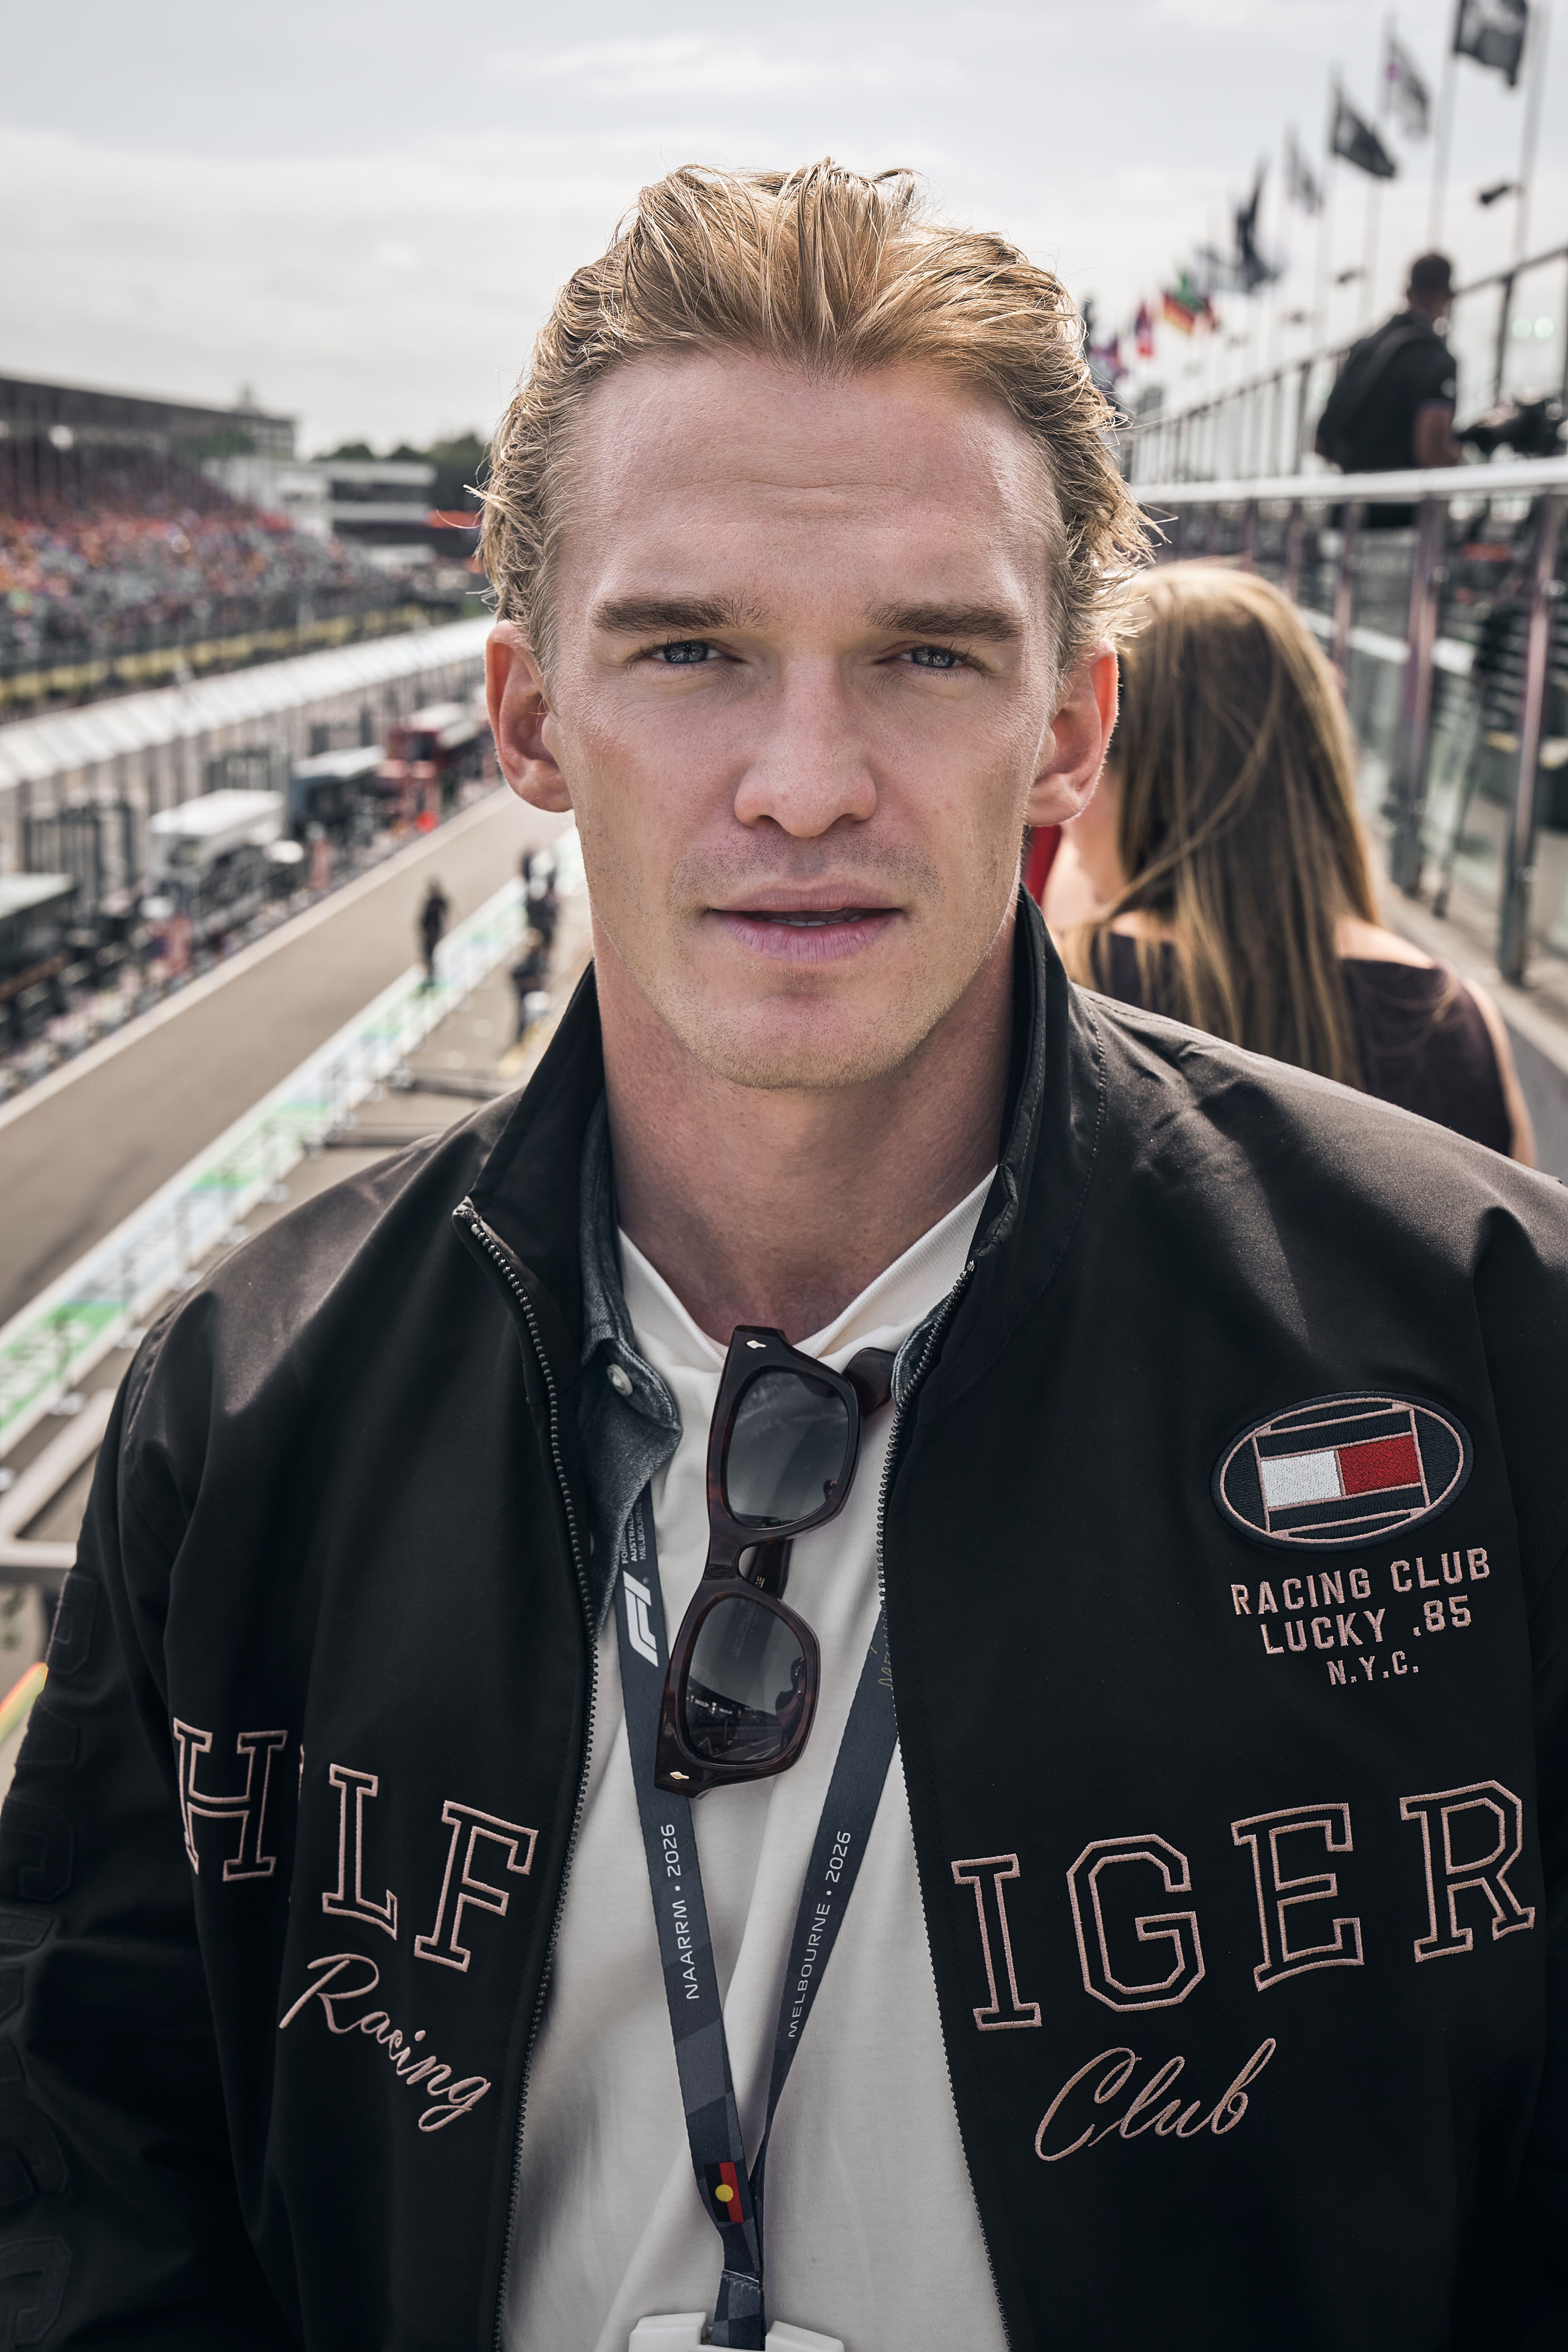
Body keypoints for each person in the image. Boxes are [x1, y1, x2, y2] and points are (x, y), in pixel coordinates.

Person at [2, 162, 1566, 2352]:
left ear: (1070, 725)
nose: (806, 781)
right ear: (528, 719)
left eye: (926, 652)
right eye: (690, 649)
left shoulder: (1492, 1341)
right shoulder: (248, 1402)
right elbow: (98, 2193)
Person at [1045, 561, 1536, 1162]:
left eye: (1089, 754)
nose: (1067, 805)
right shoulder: (1459, 1020)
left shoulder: (1067, 994)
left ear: (1142, 771)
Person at [1314, 250, 1463, 479]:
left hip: (1349, 490)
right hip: (1399, 495)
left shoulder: (1364, 348)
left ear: (1407, 291)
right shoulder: (1437, 359)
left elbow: (1321, 443)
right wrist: (1462, 456)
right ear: (1449, 296)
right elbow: (1432, 454)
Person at [417, 875, 448, 984]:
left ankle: (432, 975)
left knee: (431, 954)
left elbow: (445, 912)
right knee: (428, 954)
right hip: (429, 931)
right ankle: (430, 974)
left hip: (433, 932)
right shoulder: (430, 903)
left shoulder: (436, 902)